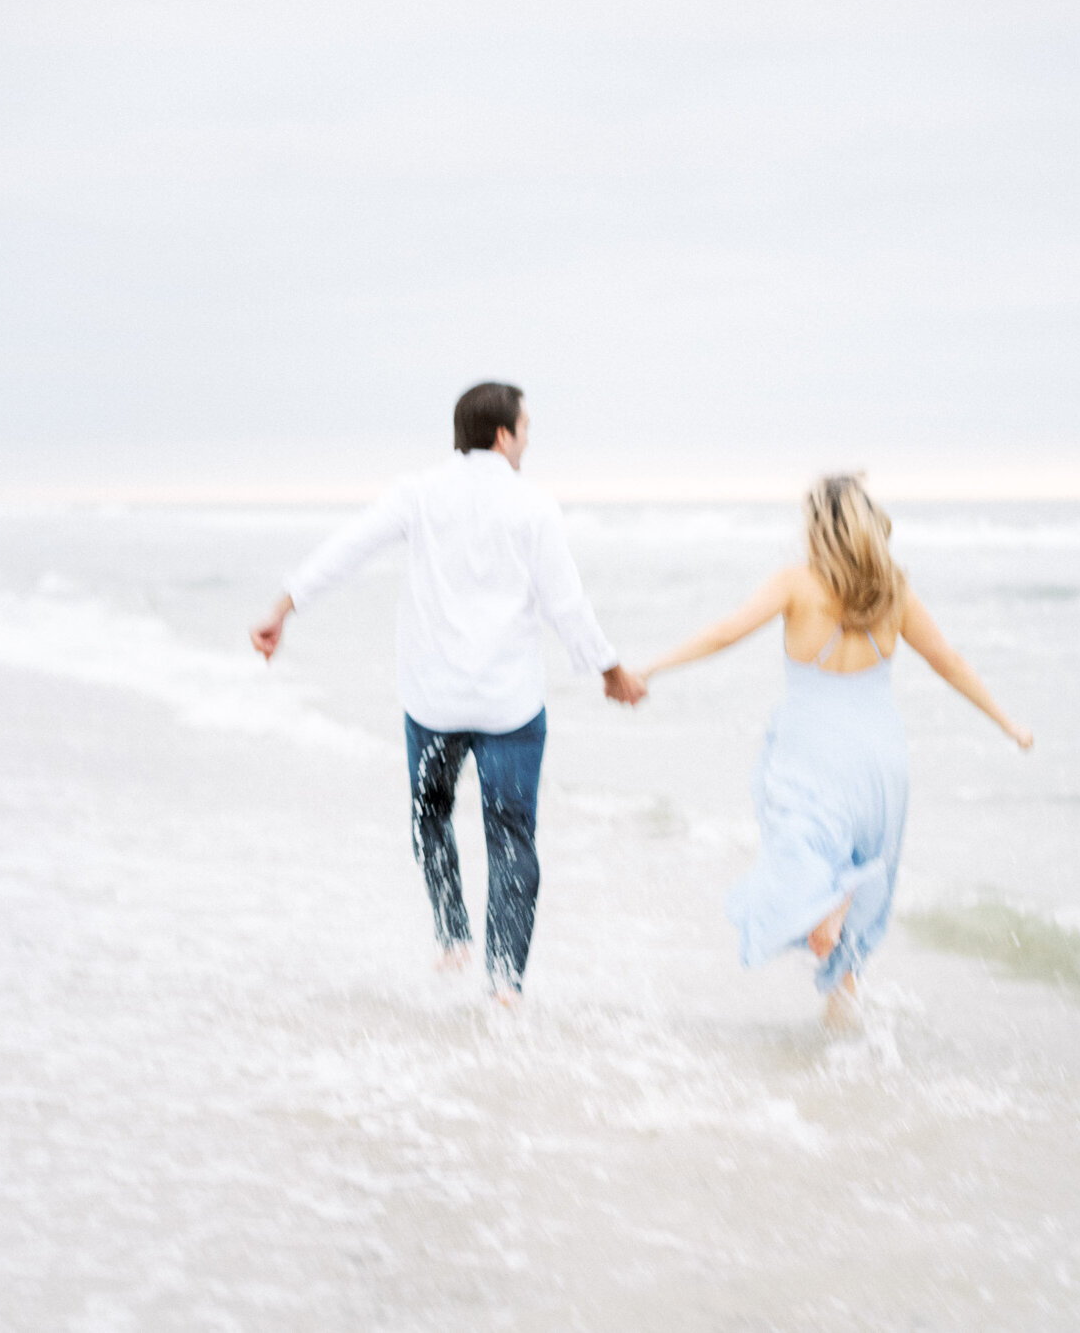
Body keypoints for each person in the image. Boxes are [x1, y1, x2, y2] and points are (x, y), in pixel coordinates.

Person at [250, 382, 644, 1004]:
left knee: (429, 814)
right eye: (525, 430)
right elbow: (565, 603)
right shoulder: (533, 506)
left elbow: (347, 548)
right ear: (503, 433)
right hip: (508, 706)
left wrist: (283, 607)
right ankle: (505, 983)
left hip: (433, 702)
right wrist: (608, 669)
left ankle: (453, 934)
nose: (527, 443)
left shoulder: (419, 493)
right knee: (510, 834)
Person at [636, 474, 1032, 1022]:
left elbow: (727, 631)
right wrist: (1007, 722)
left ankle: (834, 905)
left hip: (814, 754)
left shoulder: (797, 584)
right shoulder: (895, 591)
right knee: (861, 882)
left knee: (804, 859)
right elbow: (949, 662)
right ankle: (840, 1022)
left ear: (818, 526)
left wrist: (652, 666)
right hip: (879, 763)